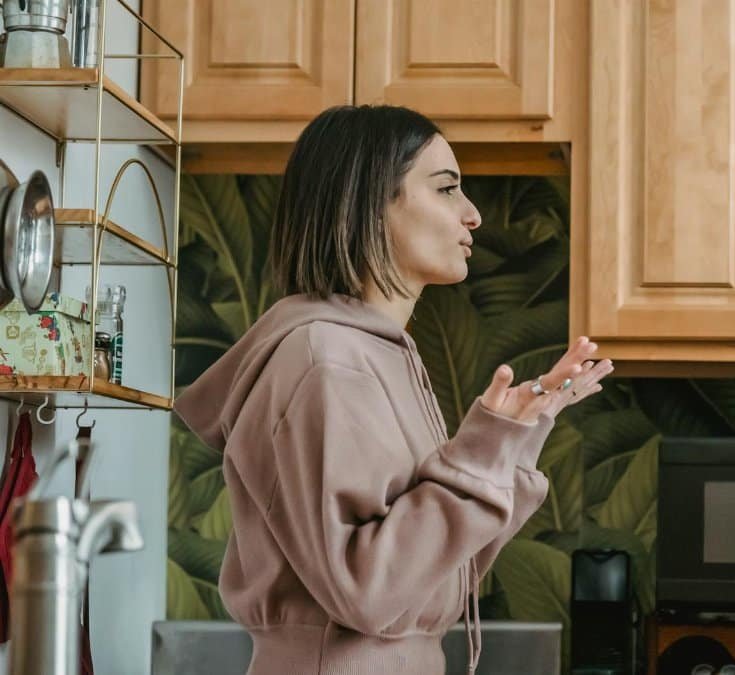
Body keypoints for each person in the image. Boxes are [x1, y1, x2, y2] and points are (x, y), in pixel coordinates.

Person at [175, 104, 613, 675]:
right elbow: (367, 593)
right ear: (370, 203)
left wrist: (517, 433)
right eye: (447, 189)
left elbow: (436, 567)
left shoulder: (376, 355)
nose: (473, 215)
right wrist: (481, 452)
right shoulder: (326, 361)